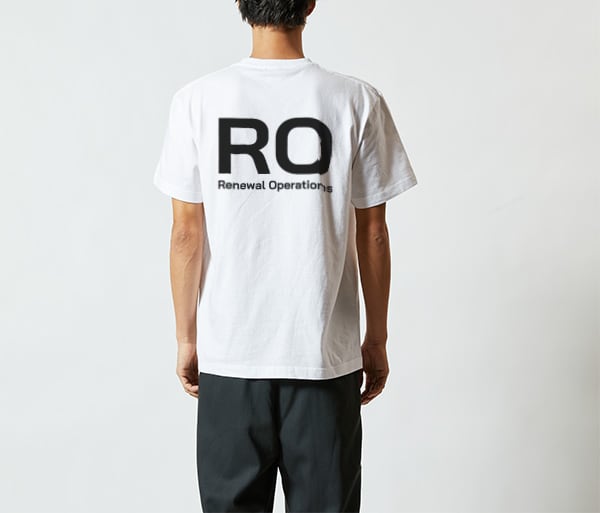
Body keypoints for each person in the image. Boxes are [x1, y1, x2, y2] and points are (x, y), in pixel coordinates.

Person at [153, 0, 418, 511]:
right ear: (310, 3)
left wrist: (188, 338)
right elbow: (374, 233)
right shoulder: (355, 100)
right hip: (322, 356)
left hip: (231, 355)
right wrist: (376, 338)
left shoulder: (197, 100)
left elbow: (186, 234)